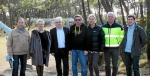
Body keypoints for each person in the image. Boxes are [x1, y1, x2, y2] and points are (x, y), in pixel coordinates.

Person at [102, 12, 123, 76]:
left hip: (115, 48)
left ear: (114, 17)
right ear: (107, 18)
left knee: (115, 64)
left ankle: (114, 75)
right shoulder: (103, 27)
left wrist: (118, 42)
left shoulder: (119, 26)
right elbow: (101, 37)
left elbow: (121, 36)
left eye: (111, 16)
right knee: (107, 64)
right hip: (106, 48)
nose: (110, 17)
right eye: (109, 16)